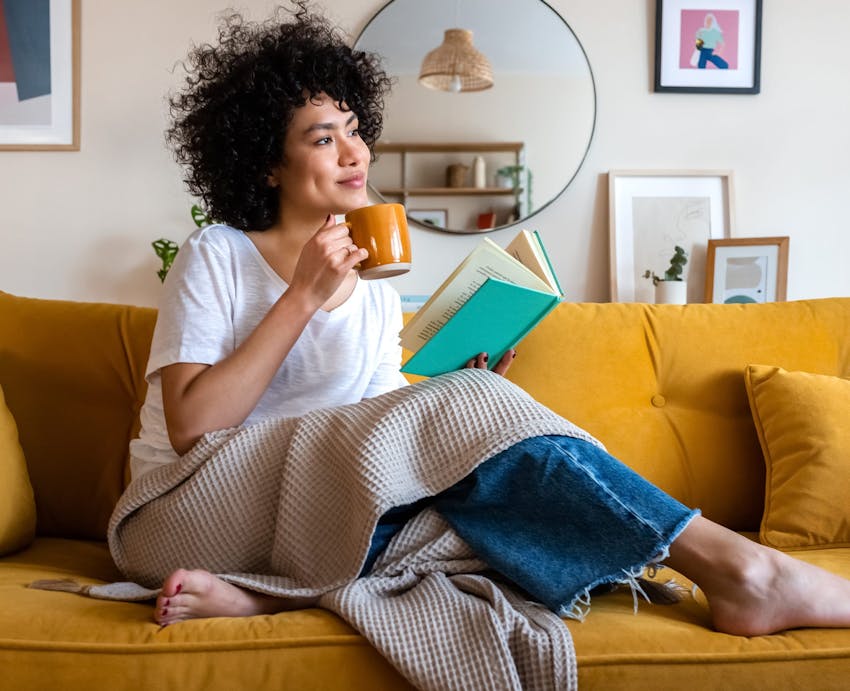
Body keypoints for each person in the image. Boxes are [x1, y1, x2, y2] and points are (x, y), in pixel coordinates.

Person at [125, 2, 850, 637]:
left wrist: (455, 389)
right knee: (483, 482)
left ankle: (268, 595)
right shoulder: (217, 253)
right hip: (186, 510)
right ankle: (746, 571)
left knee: (489, 506)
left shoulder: (373, 285)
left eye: (353, 128)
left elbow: (372, 435)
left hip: (310, 512)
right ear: (266, 164)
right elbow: (192, 426)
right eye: (322, 138)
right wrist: (302, 298)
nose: (355, 154)